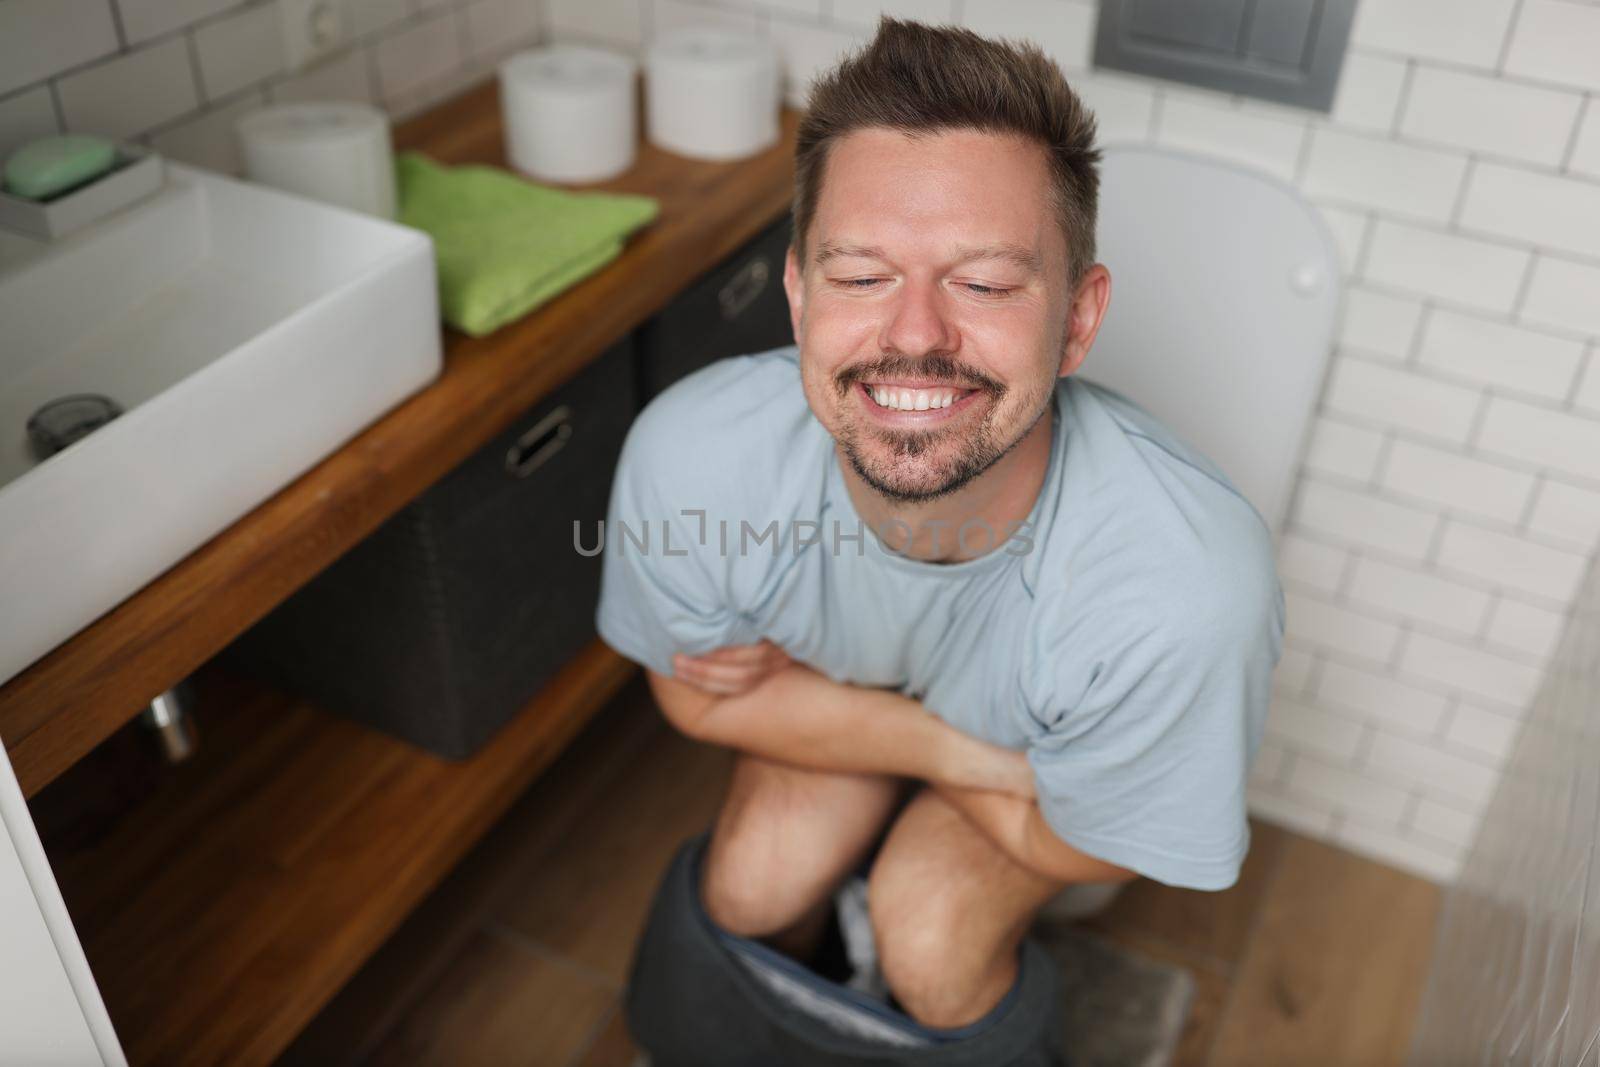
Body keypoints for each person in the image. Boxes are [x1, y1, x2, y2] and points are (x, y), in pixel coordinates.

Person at [595, 14, 1286, 1061]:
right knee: (748, 884)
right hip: (993, 749)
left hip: (1014, 780)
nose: (914, 333)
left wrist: (823, 707)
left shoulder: (1182, 583)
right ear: (797, 296)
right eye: (861, 274)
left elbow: (1083, 830)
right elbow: (691, 693)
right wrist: (966, 755)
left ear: (1078, 319)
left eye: (987, 281)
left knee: (931, 932)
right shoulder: (695, 457)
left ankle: (897, 915)